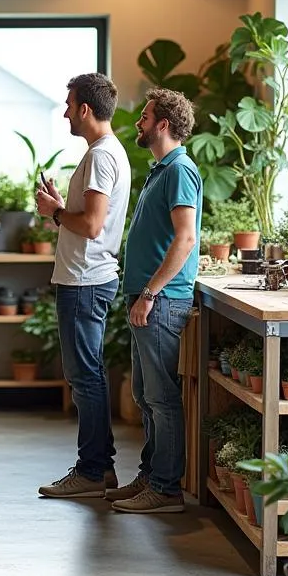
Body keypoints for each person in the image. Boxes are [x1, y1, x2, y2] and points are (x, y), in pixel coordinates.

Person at [34, 73, 131, 499]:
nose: (66, 112)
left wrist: (56, 213)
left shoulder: (101, 157)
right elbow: (92, 217)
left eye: (70, 105)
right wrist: (62, 205)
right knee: (87, 374)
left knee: (84, 377)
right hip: (88, 279)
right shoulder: (104, 153)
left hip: (84, 281)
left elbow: (92, 226)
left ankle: (92, 471)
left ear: (86, 110)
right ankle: (100, 469)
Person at [107, 87, 202, 514]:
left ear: (163, 124)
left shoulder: (180, 170)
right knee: (146, 395)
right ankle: (150, 476)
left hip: (162, 302)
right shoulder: (162, 170)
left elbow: (185, 239)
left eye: (144, 117)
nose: (138, 123)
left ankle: (165, 489)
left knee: (162, 398)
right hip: (149, 300)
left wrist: (149, 293)